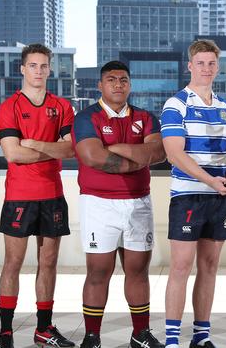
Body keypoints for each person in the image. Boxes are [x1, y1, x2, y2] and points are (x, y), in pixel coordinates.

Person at [160, 39, 226, 348]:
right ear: (190, 65)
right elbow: (174, 154)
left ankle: (202, 336)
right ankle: (172, 340)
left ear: (217, 67)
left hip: (219, 196)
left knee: (209, 268)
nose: (206, 69)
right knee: (181, 267)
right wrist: (211, 182)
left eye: (211, 63)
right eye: (201, 63)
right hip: (188, 195)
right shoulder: (176, 104)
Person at [72, 60, 167, 348]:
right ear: (100, 85)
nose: (118, 84)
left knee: (138, 270)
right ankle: (92, 337)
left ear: (130, 85)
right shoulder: (86, 118)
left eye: (123, 79)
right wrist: (138, 158)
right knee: (99, 271)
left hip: (138, 202)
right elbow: (92, 157)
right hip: (99, 204)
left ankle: (140, 334)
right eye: (111, 79)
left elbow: (159, 152)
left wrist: (115, 150)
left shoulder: (145, 116)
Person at [0, 43, 76, 348]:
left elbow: (71, 150)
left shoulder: (62, 106)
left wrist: (35, 144)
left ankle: (44, 329)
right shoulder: (9, 106)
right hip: (19, 195)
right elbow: (13, 154)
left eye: (44, 66)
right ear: (22, 69)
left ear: (50, 69)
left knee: (49, 262)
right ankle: (6, 330)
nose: (39, 71)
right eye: (33, 66)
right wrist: (49, 147)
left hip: (52, 193)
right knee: (13, 262)